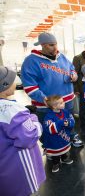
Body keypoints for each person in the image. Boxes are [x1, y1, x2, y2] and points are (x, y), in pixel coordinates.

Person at [21, 32, 83, 148]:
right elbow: (29, 85)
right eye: (51, 45)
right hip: (48, 104)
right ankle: (49, 146)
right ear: (42, 45)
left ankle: (71, 136)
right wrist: (44, 99)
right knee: (48, 127)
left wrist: (73, 74)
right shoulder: (31, 61)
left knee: (69, 121)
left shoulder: (61, 56)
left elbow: (71, 68)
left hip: (67, 100)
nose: (55, 47)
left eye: (55, 44)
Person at [0, 66, 46, 196]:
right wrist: (32, 117)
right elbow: (29, 136)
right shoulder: (12, 110)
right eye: (12, 80)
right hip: (18, 170)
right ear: (5, 85)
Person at [43, 95, 74, 173]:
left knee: (64, 150)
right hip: (54, 140)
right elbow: (49, 128)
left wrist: (69, 123)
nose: (64, 103)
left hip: (64, 137)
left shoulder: (66, 112)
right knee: (56, 153)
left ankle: (64, 158)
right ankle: (55, 163)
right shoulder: (49, 116)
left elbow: (72, 120)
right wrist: (61, 122)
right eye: (61, 103)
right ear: (54, 106)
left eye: (63, 101)